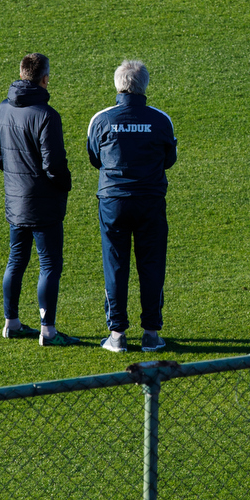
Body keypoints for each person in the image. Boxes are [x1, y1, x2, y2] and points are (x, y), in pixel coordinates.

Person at [87, 59, 178, 352]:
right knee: (152, 266)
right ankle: (151, 334)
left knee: (115, 265)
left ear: (118, 84)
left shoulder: (101, 119)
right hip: (150, 201)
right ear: (144, 85)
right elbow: (170, 159)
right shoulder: (161, 119)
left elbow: (94, 158)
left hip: (113, 202)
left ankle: (117, 335)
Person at [0, 52, 78, 346]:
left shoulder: (2, 109)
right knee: (49, 263)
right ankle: (48, 331)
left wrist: (16, 176)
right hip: (44, 202)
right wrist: (65, 185)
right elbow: (53, 166)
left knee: (16, 259)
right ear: (45, 78)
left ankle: (11, 323)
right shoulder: (46, 115)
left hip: (16, 200)